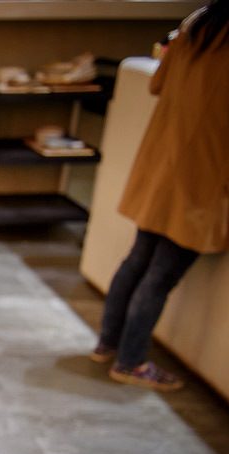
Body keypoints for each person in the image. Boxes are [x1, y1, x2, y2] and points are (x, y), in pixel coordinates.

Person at [92, 0, 228, 391]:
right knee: (160, 273)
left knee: (138, 260)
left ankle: (107, 343)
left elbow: (157, 82)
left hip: (165, 166)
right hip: (206, 175)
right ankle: (131, 362)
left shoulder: (197, 27)